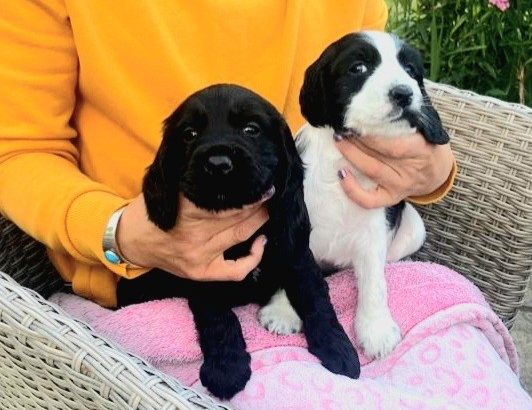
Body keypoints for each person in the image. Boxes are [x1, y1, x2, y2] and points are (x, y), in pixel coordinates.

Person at [0, 0, 455, 309]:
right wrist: (118, 233)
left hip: (315, 264)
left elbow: (373, 92)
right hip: (149, 281)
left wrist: (430, 168)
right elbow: (20, 149)